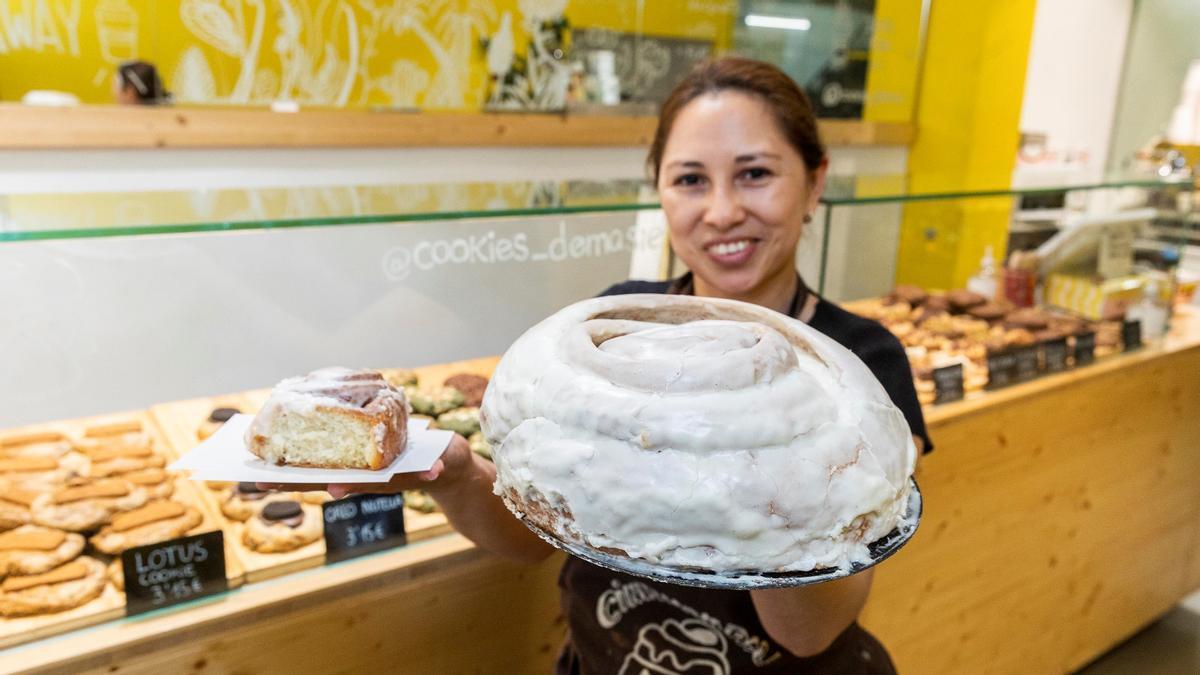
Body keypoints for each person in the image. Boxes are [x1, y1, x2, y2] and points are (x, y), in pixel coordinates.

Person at [270, 56, 931, 673]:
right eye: (690, 180)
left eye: (755, 173)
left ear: (815, 181)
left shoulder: (857, 372)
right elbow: (539, 538)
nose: (723, 210)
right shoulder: (607, 337)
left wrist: (758, 455)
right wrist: (457, 475)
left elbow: (809, 631)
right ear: (660, 192)